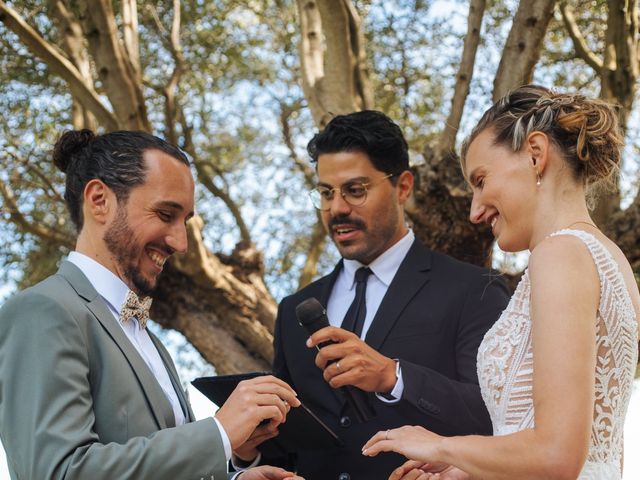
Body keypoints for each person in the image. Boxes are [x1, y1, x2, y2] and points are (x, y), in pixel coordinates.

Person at [362, 85, 640, 480]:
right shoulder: (611, 261)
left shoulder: (559, 254)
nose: (475, 211)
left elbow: (557, 456)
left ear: (536, 154)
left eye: (480, 180)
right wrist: (460, 468)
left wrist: (439, 444)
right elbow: (598, 456)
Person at [0, 130, 304, 480]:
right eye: (165, 214)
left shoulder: (150, 339)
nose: (181, 242)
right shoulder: (43, 310)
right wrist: (219, 433)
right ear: (99, 200)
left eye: (185, 221)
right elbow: (58, 472)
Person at [234, 110, 510, 480]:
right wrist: (248, 456)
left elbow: (499, 416)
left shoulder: (474, 288)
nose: (337, 209)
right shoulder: (291, 311)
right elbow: (288, 447)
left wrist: (394, 376)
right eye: (326, 193)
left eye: (355, 190)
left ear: (403, 187)